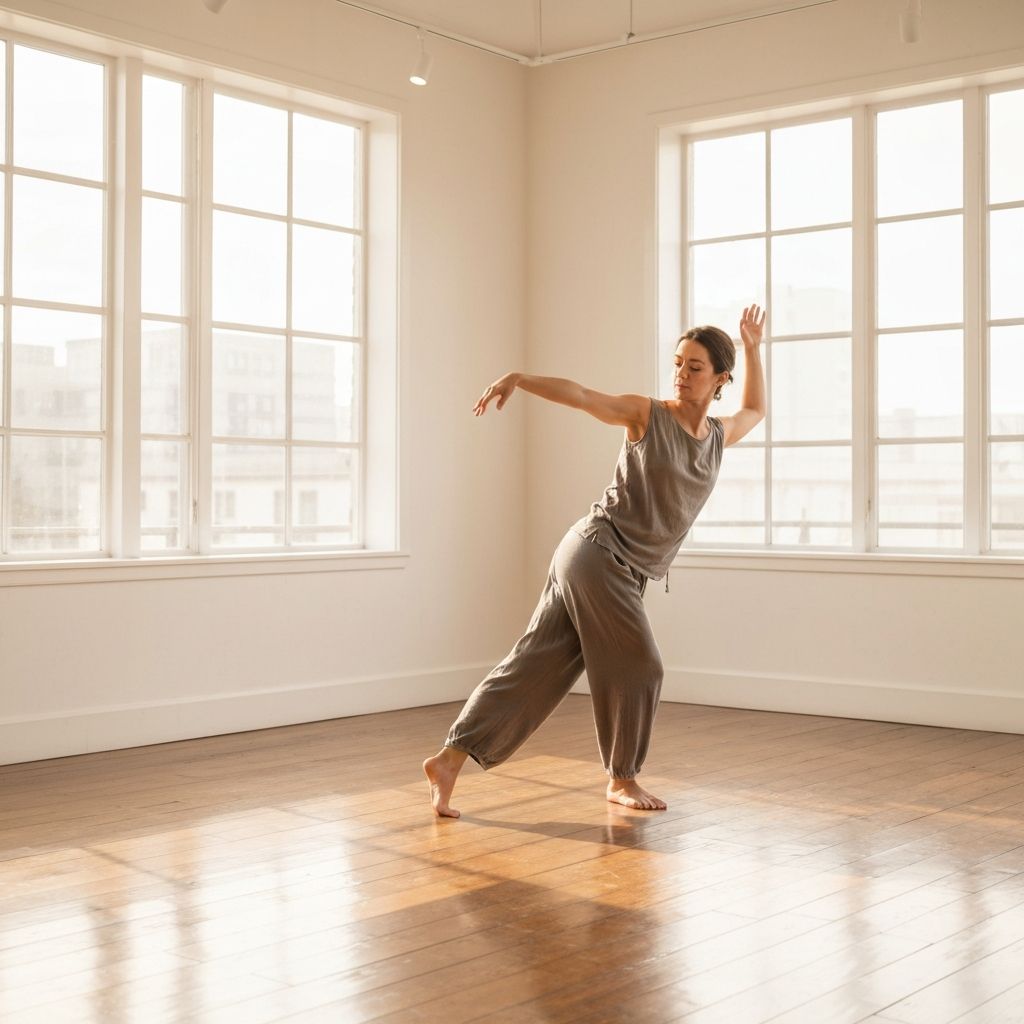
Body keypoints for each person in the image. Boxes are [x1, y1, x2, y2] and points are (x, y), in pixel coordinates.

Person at [423, 305, 767, 818]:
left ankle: (449, 760)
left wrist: (755, 349)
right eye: (677, 363)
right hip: (597, 554)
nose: (681, 374)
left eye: (695, 367)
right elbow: (583, 396)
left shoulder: (717, 436)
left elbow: (755, 411)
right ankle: (622, 778)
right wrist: (519, 378)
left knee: (537, 665)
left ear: (720, 378)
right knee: (641, 666)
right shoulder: (647, 415)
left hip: (604, 563)